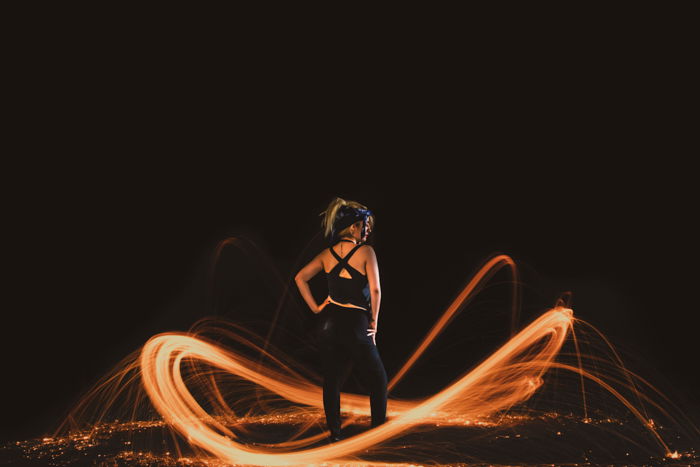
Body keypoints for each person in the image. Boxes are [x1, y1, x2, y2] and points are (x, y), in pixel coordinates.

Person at [294, 197, 388, 443]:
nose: (367, 230)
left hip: (330, 325)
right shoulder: (367, 252)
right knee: (377, 380)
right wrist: (374, 322)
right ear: (354, 226)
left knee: (332, 381)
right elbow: (376, 290)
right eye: (364, 225)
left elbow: (300, 278)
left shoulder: (326, 254)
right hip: (356, 323)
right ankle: (377, 434)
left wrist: (316, 308)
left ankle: (335, 434)